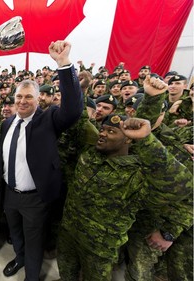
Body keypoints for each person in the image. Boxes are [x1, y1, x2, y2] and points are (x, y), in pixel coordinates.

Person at [56, 78, 192, 280]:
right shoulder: (90, 155)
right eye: (102, 129)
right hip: (68, 233)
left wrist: (146, 137)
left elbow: (181, 186)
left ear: (129, 138)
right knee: (66, 272)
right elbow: (81, 120)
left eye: (110, 132)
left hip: (99, 247)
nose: (102, 134)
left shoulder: (135, 174)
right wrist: (74, 81)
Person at [0, 40, 83, 281]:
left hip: (34, 198)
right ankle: (20, 258)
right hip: (10, 194)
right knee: (15, 234)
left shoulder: (48, 120)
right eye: (18, 96)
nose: (22, 101)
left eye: (28, 97)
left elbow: (73, 110)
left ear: (38, 100)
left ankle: (31, 276)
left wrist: (63, 64)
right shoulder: (6, 124)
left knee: (34, 240)